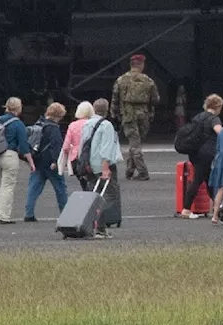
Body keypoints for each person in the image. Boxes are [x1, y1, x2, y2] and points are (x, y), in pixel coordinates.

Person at [112, 53, 160, 180]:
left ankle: (141, 172)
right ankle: (131, 170)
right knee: (136, 144)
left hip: (128, 115)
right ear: (142, 65)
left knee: (134, 144)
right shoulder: (148, 80)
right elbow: (155, 99)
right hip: (144, 115)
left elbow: (115, 98)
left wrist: (114, 114)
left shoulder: (121, 80)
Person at [81, 99, 123, 238]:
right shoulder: (106, 125)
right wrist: (106, 167)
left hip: (90, 165)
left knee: (94, 193)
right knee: (110, 195)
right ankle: (94, 214)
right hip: (102, 164)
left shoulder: (87, 124)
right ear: (107, 109)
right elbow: (106, 148)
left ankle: (100, 228)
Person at [180, 95, 223, 220]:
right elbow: (219, 132)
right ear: (217, 106)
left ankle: (217, 207)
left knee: (208, 179)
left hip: (194, 152)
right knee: (198, 179)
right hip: (207, 153)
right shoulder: (213, 118)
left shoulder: (198, 117)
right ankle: (186, 209)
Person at [24, 102, 67, 222]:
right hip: (50, 163)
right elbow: (56, 145)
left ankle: (29, 213)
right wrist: (55, 161)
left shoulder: (39, 124)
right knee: (60, 188)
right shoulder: (53, 128)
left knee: (34, 187)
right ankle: (65, 213)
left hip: (37, 161)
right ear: (58, 115)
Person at [0, 97, 36, 224]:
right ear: (18, 108)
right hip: (9, 155)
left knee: (0, 185)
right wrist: (31, 162)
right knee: (7, 186)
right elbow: (24, 146)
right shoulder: (18, 124)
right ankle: (4, 215)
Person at [60, 102, 94, 190]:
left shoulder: (72, 125)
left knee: (83, 183)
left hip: (76, 158)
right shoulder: (93, 124)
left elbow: (66, 146)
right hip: (92, 156)